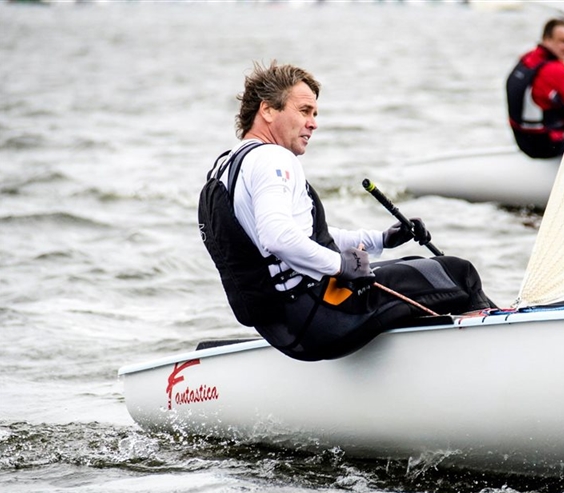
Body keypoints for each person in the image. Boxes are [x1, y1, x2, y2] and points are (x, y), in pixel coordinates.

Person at [199, 60, 495, 362]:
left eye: (315, 114)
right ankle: (496, 353)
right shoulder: (273, 159)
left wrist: (381, 239)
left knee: (415, 266)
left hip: (287, 327)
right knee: (457, 273)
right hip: (323, 315)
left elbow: (301, 239)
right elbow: (278, 238)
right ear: (267, 110)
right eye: (304, 111)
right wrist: (341, 265)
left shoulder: (226, 167)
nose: (313, 123)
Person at [506, 18, 564, 159]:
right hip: (544, 146)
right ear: (547, 40)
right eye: (562, 41)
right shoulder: (557, 70)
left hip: (522, 140)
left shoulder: (528, 58)